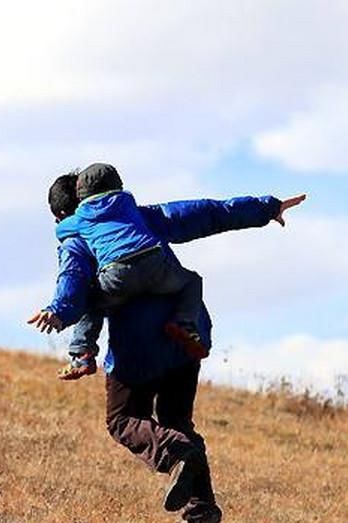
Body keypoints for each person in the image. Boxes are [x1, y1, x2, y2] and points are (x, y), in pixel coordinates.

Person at [27, 174, 306, 521]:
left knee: (123, 421)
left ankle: (177, 457)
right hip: (185, 340)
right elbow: (207, 213)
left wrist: (60, 316)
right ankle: (201, 512)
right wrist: (267, 207)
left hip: (138, 351)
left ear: (66, 213)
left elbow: (72, 282)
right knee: (177, 423)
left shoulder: (75, 236)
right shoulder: (140, 217)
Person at [47, 163, 209, 379]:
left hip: (118, 278)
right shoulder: (132, 207)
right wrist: (266, 208)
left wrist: (58, 309)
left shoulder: (79, 224)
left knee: (91, 300)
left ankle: (82, 354)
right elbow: (208, 212)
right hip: (155, 263)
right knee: (192, 281)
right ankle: (183, 322)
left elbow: (71, 275)